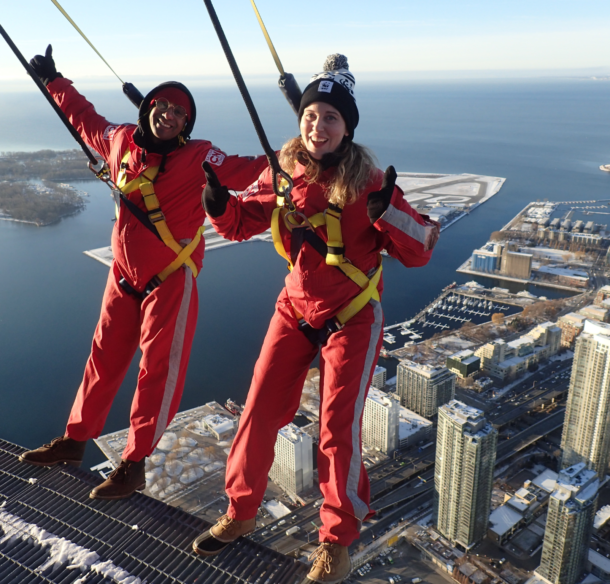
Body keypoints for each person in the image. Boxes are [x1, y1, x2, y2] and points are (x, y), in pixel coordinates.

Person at [193, 54, 440, 583]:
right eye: (311, 115)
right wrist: (217, 204)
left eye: (331, 117)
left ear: (347, 127)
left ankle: (337, 541)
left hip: (352, 315)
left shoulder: (371, 183)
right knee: (257, 409)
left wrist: (385, 213)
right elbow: (239, 224)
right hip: (296, 307)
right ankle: (240, 512)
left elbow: (420, 247)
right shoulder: (282, 172)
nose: (317, 125)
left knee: (336, 428)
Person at [19, 45, 268, 500]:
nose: (170, 115)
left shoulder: (200, 157)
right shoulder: (118, 141)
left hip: (171, 278)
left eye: (180, 114)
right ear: (148, 105)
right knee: (102, 359)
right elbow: (83, 118)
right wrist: (54, 80)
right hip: (124, 277)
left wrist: (299, 159)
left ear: (186, 128)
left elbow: (250, 170)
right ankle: (75, 442)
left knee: (157, 372)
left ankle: (134, 464)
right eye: (164, 105)